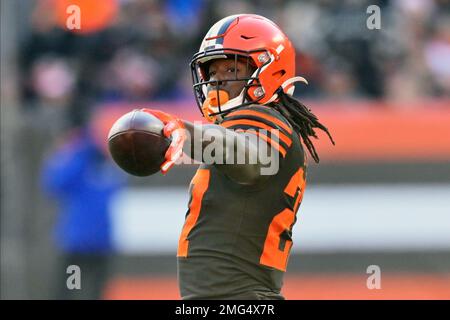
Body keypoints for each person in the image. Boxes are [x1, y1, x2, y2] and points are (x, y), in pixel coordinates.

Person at [142, 14, 335, 300]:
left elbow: (251, 159)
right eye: (212, 72)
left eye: (230, 69)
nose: (217, 81)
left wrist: (188, 133)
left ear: (269, 69)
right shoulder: (242, 126)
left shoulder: (262, 118)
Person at [41, 107, 127, 300]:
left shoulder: (96, 158)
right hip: (78, 244)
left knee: (92, 292)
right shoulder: (83, 158)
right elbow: (54, 184)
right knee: (73, 290)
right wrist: (78, 152)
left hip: (96, 242)